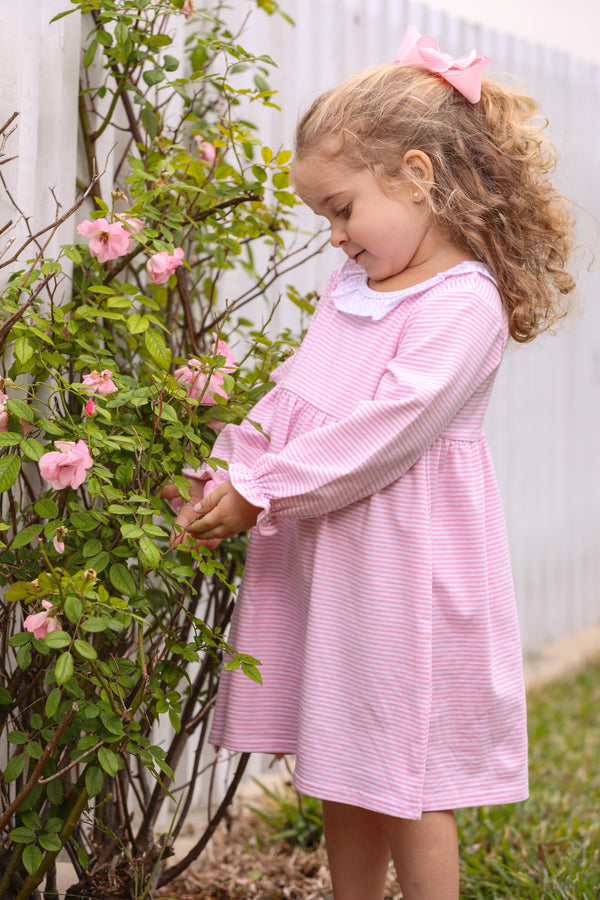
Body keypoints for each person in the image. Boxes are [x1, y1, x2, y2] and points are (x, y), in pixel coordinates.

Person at [166, 25, 574, 900]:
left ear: (417, 176)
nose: (336, 238)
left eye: (342, 209)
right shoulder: (354, 287)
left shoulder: (463, 305)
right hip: (336, 560)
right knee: (341, 758)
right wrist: (232, 468)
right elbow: (298, 395)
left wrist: (262, 489)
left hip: (407, 573)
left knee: (413, 772)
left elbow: (386, 432)